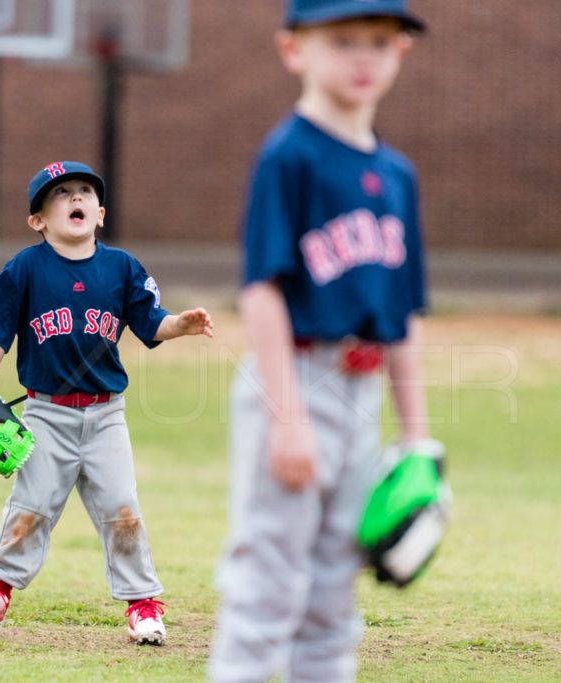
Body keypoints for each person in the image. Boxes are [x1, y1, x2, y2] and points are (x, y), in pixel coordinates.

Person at [208, 1, 431, 680]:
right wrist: (287, 418)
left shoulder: (397, 176)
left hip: (362, 394)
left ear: (400, 53)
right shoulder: (290, 156)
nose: (363, 56)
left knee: (336, 593)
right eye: (342, 40)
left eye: (378, 41)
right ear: (293, 49)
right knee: (268, 582)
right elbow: (262, 291)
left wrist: (419, 438)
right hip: (296, 379)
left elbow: (402, 315)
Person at [0, 161, 214, 645]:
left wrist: (182, 324)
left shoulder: (121, 267)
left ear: (99, 213)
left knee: (122, 509)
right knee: (29, 507)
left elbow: (150, 321)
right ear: (38, 220)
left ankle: (142, 604)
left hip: (105, 414)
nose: (75, 198)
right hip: (46, 414)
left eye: (83, 192)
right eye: (61, 194)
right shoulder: (25, 268)